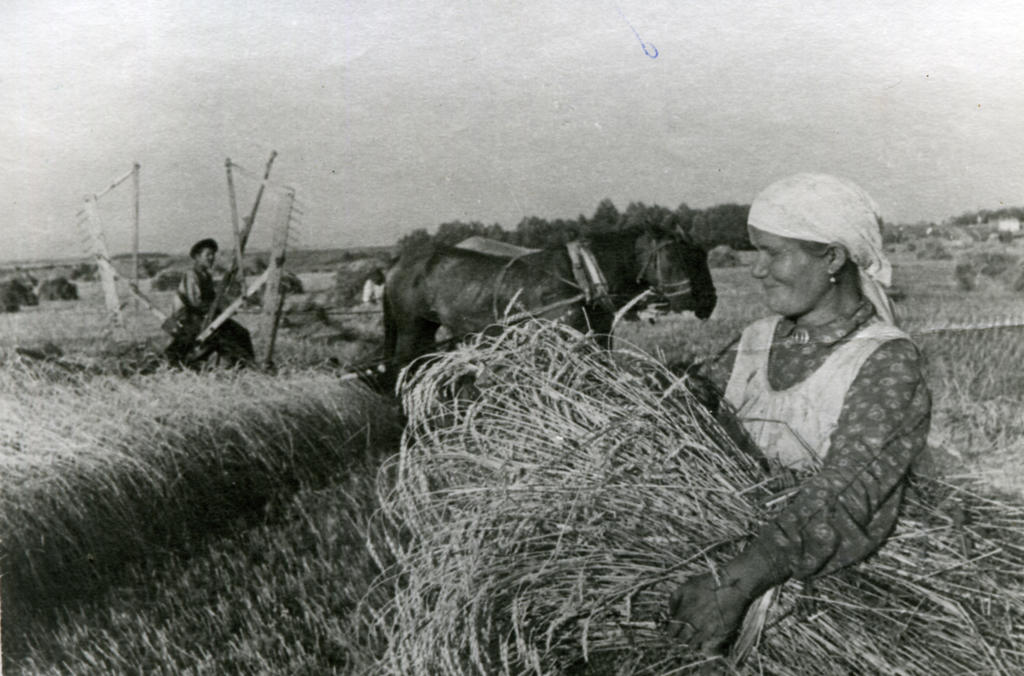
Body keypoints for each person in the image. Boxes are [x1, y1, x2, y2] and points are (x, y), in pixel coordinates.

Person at [667, 174, 931, 655]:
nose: (756, 270)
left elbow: (849, 490)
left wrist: (736, 582)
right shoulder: (759, 337)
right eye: (755, 252)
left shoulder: (885, 361)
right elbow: (701, 421)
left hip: (794, 573)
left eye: (773, 253)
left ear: (832, 258)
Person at [163, 238, 255, 368]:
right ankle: (244, 365)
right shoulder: (191, 275)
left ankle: (247, 364)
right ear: (197, 257)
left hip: (205, 316)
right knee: (221, 337)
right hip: (189, 319)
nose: (212, 258)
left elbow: (213, 298)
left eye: (213, 255)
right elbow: (195, 303)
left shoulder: (206, 275)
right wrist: (219, 309)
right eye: (208, 255)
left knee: (241, 333)